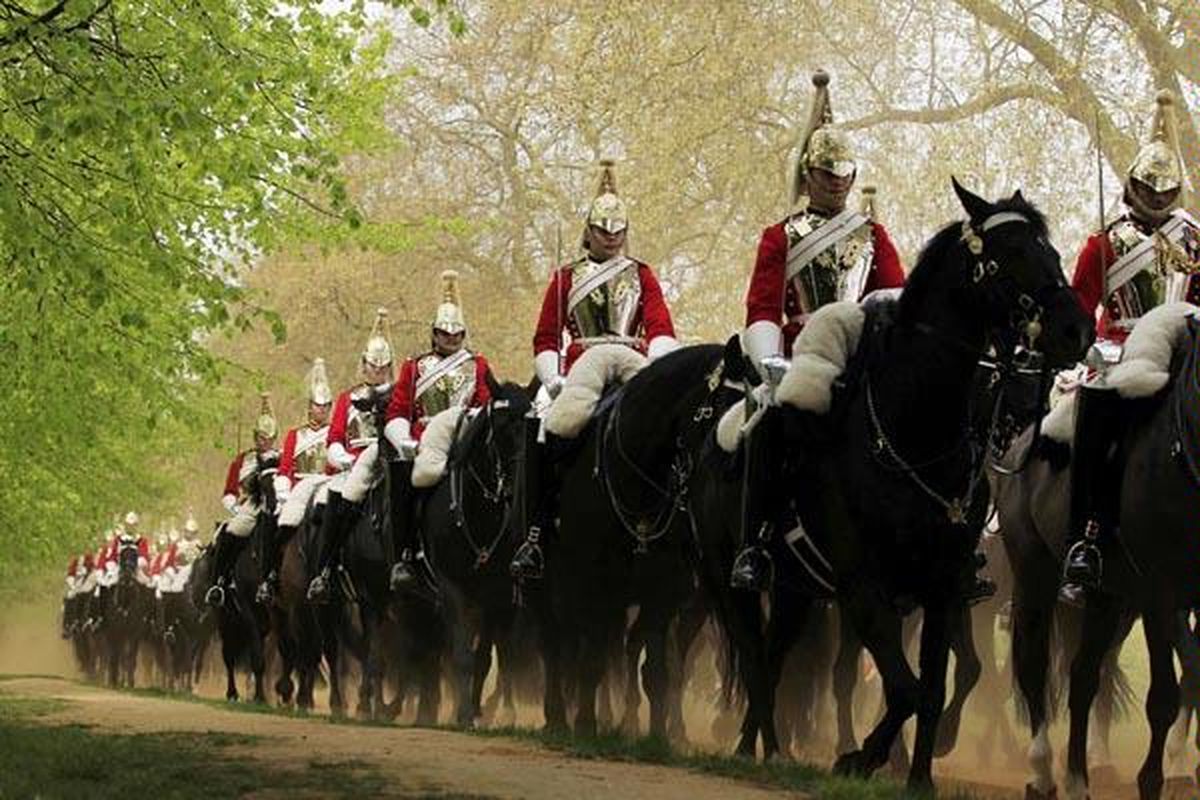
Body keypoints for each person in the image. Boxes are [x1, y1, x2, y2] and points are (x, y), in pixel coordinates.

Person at [729, 70, 908, 594]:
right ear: (808, 175)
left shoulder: (872, 235)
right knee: (769, 425)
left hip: (860, 350)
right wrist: (769, 360)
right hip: (802, 355)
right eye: (827, 173)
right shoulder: (780, 236)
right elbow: (762, 305)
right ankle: (757, 541)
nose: (836, 182)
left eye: (844, 173)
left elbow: (892, 294)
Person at [1059, 90, 1200, 606]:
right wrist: (1087, 346)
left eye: (1166, 190)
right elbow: (1080, 306)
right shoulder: (1104, 242)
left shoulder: (1195, 239)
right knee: (1095, 426)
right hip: (1121, 351)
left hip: (1185, 347)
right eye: (1148, 188)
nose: (1157, 198)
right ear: (1132, 185)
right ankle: (1086, 539)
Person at [510, 159, 679, 580]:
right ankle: (536, 532)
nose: (611, 236)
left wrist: (659, 366)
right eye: (603, 230)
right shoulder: (566, 278)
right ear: (588, 231)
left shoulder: (641, 274)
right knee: (541, 428)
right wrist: (553, 377)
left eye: (618, 230)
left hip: (632, 365)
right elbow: (546, 338)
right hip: (579, 371)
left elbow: (660, 326)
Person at [384, 270, 493, 592]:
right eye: (445, 334)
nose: (452, 339)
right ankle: (405, 555)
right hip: (426, 440)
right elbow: (398, 410)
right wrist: (404, 439)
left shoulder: (478, 364)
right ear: (434, 334)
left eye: (457, 334)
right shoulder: (414, 367)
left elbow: (485, 400)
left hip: (466, 435)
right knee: (404, 477)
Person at [306, 309, 397, 602]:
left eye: (383, 366)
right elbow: (334, 438)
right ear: (364, 364)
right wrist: (345, 459)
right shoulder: (348, 398)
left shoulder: (399, 393)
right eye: (373, 365)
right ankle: (326, 570)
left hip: (391, 455)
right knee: (338, 500)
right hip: (356, 462)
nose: (378, 371)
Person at [256, 358, 334, 604]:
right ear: (309, 407)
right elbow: (286, 466)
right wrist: (283, 492)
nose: (322, 410)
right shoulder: (295, 435)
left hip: (328, 483)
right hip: (300, 486)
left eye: (326, 406)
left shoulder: (334, 432)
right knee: (282, 522)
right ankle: (271, 576)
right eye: (318, 406)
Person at [205, 394, 280, 607]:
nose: (263, 441)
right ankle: (219, 582)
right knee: (231, 531)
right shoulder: (242, 460)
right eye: (260, 437)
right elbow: (229, 492)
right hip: (250, 505)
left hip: (276, 502)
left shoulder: (282, 457)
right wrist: (235, 508)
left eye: (267, 438)